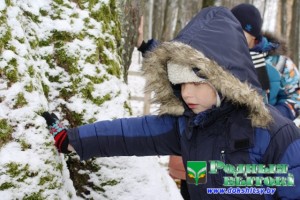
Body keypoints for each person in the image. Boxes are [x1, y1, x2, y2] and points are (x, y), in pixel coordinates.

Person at [42, 6, 300, 199]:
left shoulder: (278, 135)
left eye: (197, 83)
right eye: (181, 84)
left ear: (224, 79)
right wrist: (72, 139)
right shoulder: (188, 125)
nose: (187, 94)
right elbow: (130, 133)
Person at [231, 3, 300, 120]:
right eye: (229, 28)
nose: (232, 34)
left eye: (239, 30)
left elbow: (296, 96)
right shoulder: (221, 56)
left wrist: (276, 116)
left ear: (253, 34)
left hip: (269, 129)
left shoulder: (280, 63)